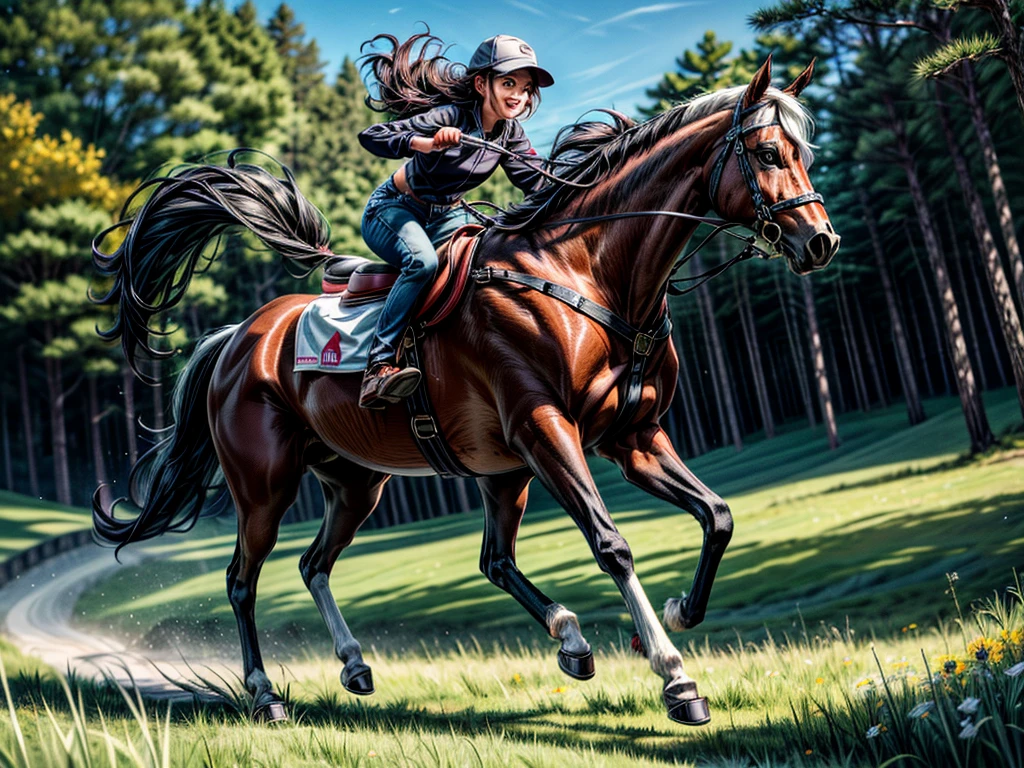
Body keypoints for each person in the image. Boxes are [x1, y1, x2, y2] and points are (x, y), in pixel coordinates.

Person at [356, 31, 555, 408]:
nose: (519, 95)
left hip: (448, 214)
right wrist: (426, 142)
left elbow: (538, 181)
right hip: (394, 208)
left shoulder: (510, 134)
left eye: (526, 88)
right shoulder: (450, 116)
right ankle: (378, 367)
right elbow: (373, 136)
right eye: (509, 82)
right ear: (482, 84)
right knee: (422, 263)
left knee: (494, 258)